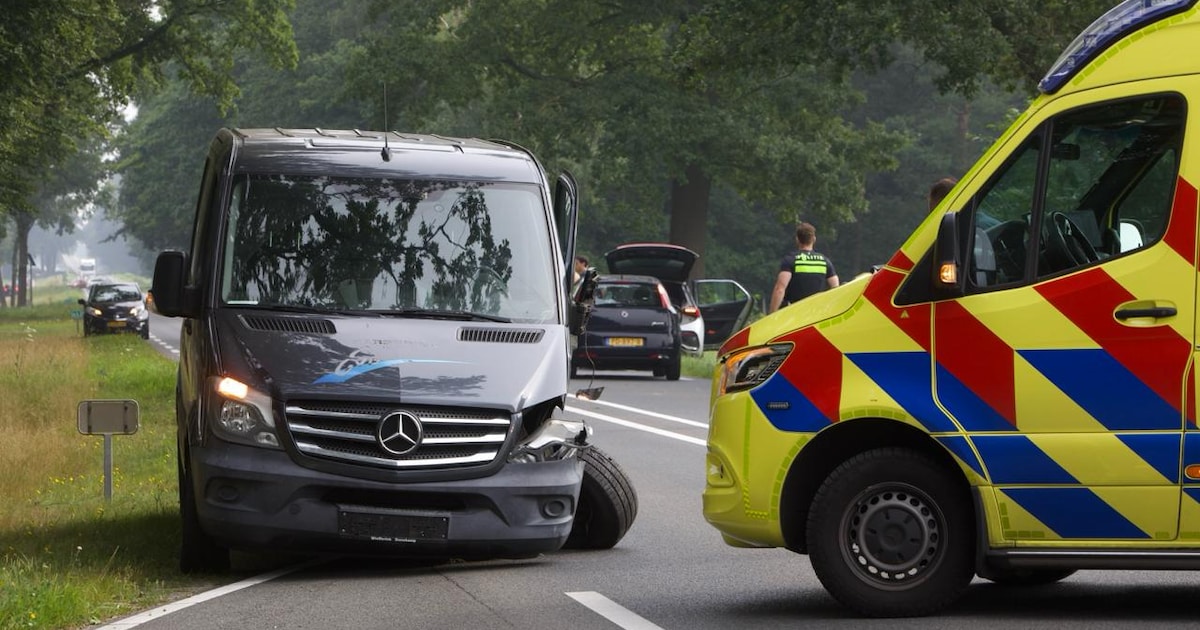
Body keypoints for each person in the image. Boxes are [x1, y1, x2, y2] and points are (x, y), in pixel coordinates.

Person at [769, 222, 839, 313]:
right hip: (817, 313)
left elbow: (780, 289)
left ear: (797, 239)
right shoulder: (824, 261)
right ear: (814, 239)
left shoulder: (790, 260)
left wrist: (771, 314)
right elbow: (836, 288)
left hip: (794, 313)